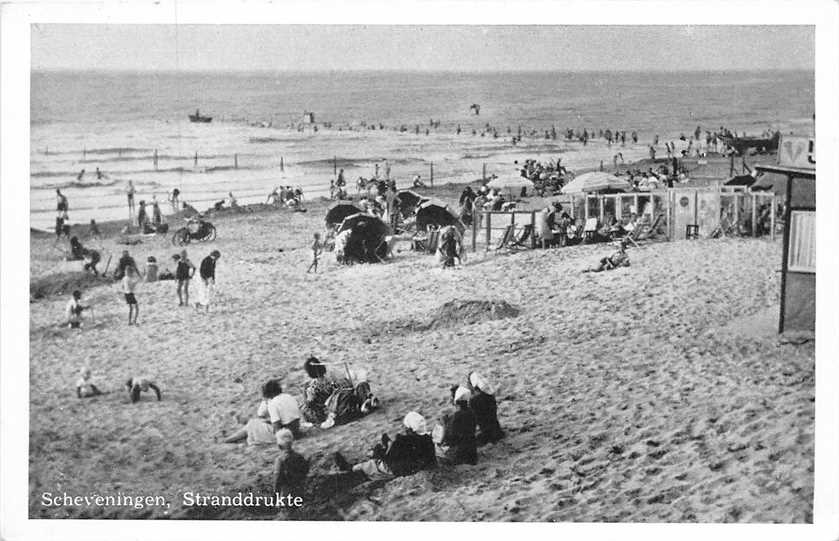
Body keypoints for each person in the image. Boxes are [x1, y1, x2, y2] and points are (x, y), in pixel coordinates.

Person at [333, 412, 436, 481]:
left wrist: (379, 451)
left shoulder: (404, 441)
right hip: (416, 465)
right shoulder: (428, 439)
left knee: (372, 465)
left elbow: (389, 458)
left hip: (398, 469)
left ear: (409, 428)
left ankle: (350, 468)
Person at [224, 380, 286, 445]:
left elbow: (277, 427)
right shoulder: (287, 397)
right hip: (292, 429)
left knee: (252, 424)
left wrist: (269, 422)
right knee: (254, 423)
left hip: (283, 434)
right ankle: (232, 436)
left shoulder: (273, 404)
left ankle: (228, 439)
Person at [433, 386, 478, 465]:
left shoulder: (457, 415)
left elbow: (450, 437)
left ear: (455, 401)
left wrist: (444, 425)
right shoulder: (471, 412)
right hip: (473, 452)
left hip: (460, 454)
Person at [466, 372, 504, 445]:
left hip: (486, 432)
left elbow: (475, 420)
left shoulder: (474, 400)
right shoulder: (489, 394)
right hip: (496, 429)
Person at [272, 429, 310, 498]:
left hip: (286, 493)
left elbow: (277, 479)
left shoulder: (280, 460)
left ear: (279, 445)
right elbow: (306, 470)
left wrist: (275, 495)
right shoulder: (299, 457)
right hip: (300, 490)